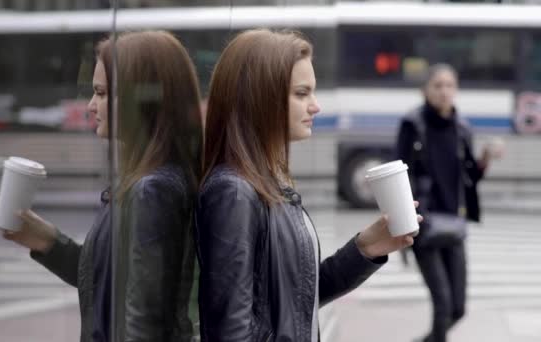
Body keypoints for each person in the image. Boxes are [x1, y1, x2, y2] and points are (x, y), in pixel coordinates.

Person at [195, 29, 421, 342]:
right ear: (262, 96)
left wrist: (367, 248)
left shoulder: (267, 181)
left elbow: (295, 302)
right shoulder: (233, 192)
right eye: (302, 94)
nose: (315, 106)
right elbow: (230, 332)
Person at [0, 31, 203, 342]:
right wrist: (48, 242)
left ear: (141, 99)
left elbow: (142, 322)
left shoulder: (152, 189)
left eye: (103, 93)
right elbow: (109, 280)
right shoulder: (153, 178)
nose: (91, 106)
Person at [395, 63, 504, 342]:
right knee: (442, 306)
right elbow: (398, 175)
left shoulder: (462, 129)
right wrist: (405, 221)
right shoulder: (412, 125)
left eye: (449, 85)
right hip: (424, 225)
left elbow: (469, 179)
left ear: (456, 90)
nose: (444, 91)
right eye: (438, 85)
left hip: (453, 226)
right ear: (425, 90)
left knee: (458, 309)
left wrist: (485, 160)